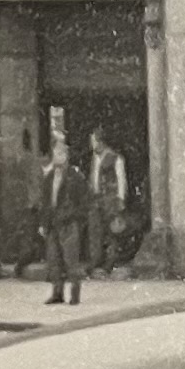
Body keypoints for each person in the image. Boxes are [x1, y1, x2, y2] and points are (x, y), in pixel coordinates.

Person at [32, 138, 92, 306]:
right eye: (55, 153)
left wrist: (75, 217)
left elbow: (84, 201)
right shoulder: (49, 177)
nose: (57, 156)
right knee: (54, 259)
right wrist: (43, 223)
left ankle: (75, 293)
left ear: (66, 155)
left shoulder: (75, 177)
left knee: (71, 259)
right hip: (53, 224)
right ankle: (57, 292)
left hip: (68, 223)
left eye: (60, 153)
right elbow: (45, 202)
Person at [86, 128, 129, 276]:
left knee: (111, 232)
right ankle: (95, 261)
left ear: (101, 142)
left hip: (110, 200)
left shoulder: (115, 158)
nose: (92, 144)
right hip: (96, 199)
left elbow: (121, 180)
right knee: (95, 230)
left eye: (93, 141)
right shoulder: (94, 158)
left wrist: (120, 199)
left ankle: (110, 262)